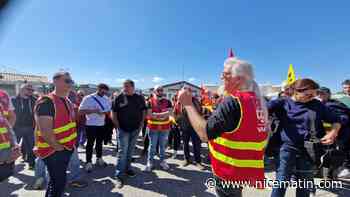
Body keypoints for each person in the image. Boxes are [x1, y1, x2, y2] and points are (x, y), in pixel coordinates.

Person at [178, 57, 269, 197]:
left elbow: (204, 134)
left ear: (238, 79)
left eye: (225, 73)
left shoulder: (233, 102)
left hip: (228, 169)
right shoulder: (257, 101)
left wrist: (188, 103)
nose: (221, 76)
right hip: (244, 168)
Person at [267, 79, 343, 197]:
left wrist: (333, 132)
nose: (312, 97)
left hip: (309, 150)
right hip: (287, 148)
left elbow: (337, 120)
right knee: (281, 181)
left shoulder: (317, 105)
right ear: (296, 91)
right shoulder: (282, 103)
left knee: (305, 184)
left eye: (314, 94)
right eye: (308, 94)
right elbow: (260, 109)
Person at [34, 71, 77, 197]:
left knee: (56, 182)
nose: (70, 84)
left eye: (71, 81)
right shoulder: (47, 102)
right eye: (67, 81)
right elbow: (43, 130)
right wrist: (59, 148)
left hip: (66, 148)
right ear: (56, 82)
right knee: (58, 183)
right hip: (53, 150)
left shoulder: (67, 101)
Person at [112, 79, 146, 188]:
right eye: (123, 86)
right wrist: (117, 126)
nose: (124, 88)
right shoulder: (119, 97)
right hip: (123, 129)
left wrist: (141, 124)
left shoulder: (139, 98)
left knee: (130, 151)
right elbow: (113, 112)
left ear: (133, 87)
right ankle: (119, 176)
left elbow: (144, 111)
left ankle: (128, 169)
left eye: (127, 86)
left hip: (135, 129)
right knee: (122, 152)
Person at [317, 87, 350, 178]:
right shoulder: (322, 104)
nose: (320, 95)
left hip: (339, 134)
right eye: (318, 93)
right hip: (328, 134)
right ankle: (329, 174)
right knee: (329, 154)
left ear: (328, 94)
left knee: (334, 154)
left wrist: (336, 124)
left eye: (322, 93)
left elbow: (344, 117)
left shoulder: (332, 104)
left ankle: (333, 173)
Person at [79, 83, 111, 172]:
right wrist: (93, 110)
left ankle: (99, 159)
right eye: (102, 91)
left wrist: (104, 113)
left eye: (105, 92)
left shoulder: (106, 99)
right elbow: (80, 111)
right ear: (98, 89)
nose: (104, 93)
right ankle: (88, 162)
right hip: (90, 125)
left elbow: (108, 110)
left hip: (101, 124)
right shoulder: (88, 98)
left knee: (99, 143)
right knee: (90, 144)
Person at [145, 85, 173, 172]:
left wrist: (157, 115)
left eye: (161, 90)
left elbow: (170, 112)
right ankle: (150, 162)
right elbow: (149, 114)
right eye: (158, 90)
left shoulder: (168, 101)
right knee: (152, 146)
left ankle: (162, 161)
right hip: (153, 128)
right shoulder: (150, 102)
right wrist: (163, 115)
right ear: (154, 91)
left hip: (165, 128)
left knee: (162, 146)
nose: (160, 92)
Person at [178, 88, 205, 170]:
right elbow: (176, 111)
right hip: (184, 126)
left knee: (196, 145)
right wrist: (178, 123)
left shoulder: (196, 100)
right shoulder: (180, 101)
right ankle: (187, 159)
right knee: (185, 144)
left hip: (195, 127)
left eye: (189, 92)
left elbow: (200, 112)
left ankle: (198, 162)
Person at [12, 83, 37, 169]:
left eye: (32, 90)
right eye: (28, 89)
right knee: (13, 147)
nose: (31, 91)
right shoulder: (13, 100)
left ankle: (32, 164)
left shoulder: (34, 100)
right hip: (16, 128)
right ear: (21, 90)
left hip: (30, 127)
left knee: (31, 147)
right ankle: (10, 165)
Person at [0, 89, 20, 182]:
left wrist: (13, 143)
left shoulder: (4, 94)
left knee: (5, 174)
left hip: (5, 148)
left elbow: (12, 117)